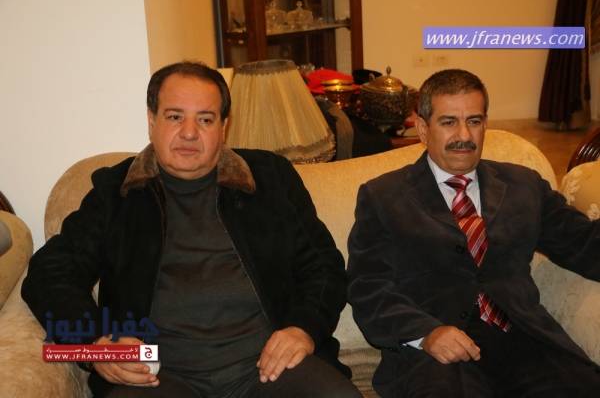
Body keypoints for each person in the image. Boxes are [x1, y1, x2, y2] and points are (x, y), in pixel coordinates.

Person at [23, 61, 361, 398]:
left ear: (223, 127)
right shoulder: (117, 192)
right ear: (152, 121)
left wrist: (303, 329)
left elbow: (323, 267)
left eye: (205, 119)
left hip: (270, 367)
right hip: (156, 377)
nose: (189, 132)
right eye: (174, 117)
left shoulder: (270, 178)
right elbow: (48, 273)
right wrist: (96, 344)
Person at [347, 68, 600, 397]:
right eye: (449, 122)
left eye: (474, 121)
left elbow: (584, 244)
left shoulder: (523, 185)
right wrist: (426, 333)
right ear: (423, 128)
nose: (464, 135)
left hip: (525, 341)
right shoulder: (383, 196)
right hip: (438, 354)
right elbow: (368, 287)